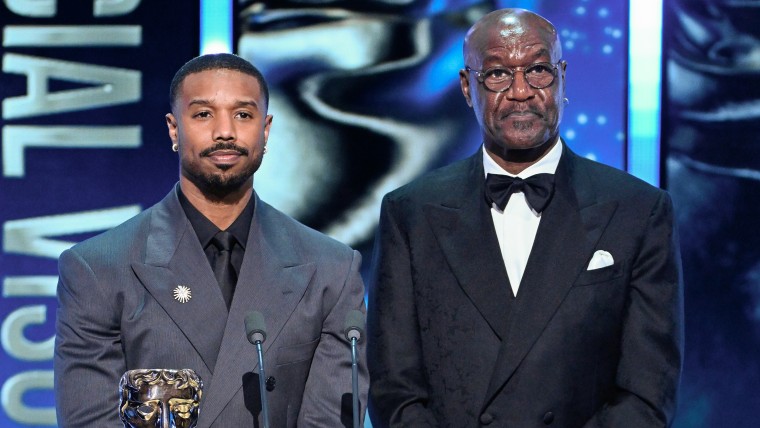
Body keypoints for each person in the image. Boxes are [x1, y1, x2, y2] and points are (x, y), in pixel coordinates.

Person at [367, 8, 683, 428]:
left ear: (562, 77)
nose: (521, 91)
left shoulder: (638, 211)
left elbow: (648, 389)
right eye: (497, 74)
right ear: (467, 87)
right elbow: (394, 387)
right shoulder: (411, 213)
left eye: (537, 70)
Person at [54, 53, 368, 427]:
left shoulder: (331, 269)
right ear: (174, 128)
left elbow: (331, 419)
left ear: (265, 130)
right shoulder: (99, 269)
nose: (225, 132)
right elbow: (91, 419)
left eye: (243, 115)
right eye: (203, 114)